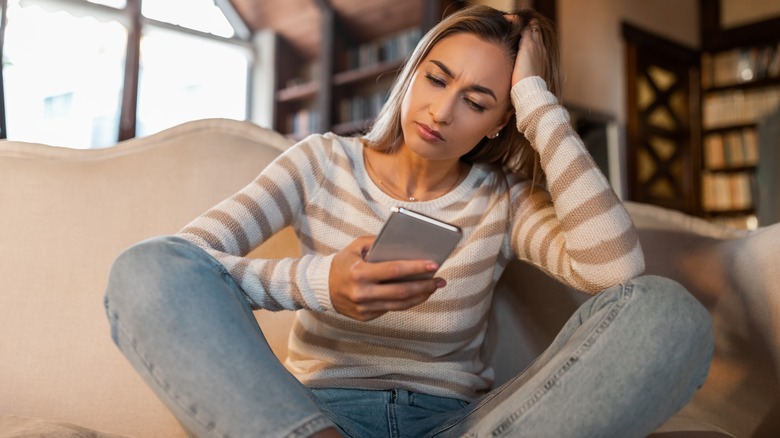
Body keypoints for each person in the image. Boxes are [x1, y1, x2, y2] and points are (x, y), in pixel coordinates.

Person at [104, 5, 713, 438]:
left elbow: (616, 273)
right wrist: (320, 284)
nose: (442, 112)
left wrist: (538, 104)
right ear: (413, 71)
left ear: (500, 122)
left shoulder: (501, 200)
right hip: (316, 416)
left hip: (462, 422)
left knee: (667, 309)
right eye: (436, 79)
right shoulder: (321, 162)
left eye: (477, 103)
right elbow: (184, 265)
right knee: (143, 266)